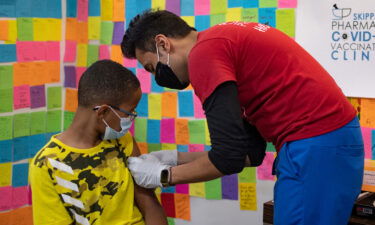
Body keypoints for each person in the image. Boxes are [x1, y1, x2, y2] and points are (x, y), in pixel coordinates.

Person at [121, 10, 365, 225]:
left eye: (152, 67)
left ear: (163, 44)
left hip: (316, 146)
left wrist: (163, 175)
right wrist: (175, 158)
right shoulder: (221, 43)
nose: (158, 78)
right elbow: (248, 153)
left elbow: (227, 158)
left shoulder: (204, 53)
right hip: (326, 144)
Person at [29, 60, 168, 225]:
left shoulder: (122, 141)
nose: (132, 117)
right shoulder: (47, 165)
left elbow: (149, 203)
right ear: (103, 112)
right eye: (129, 112)